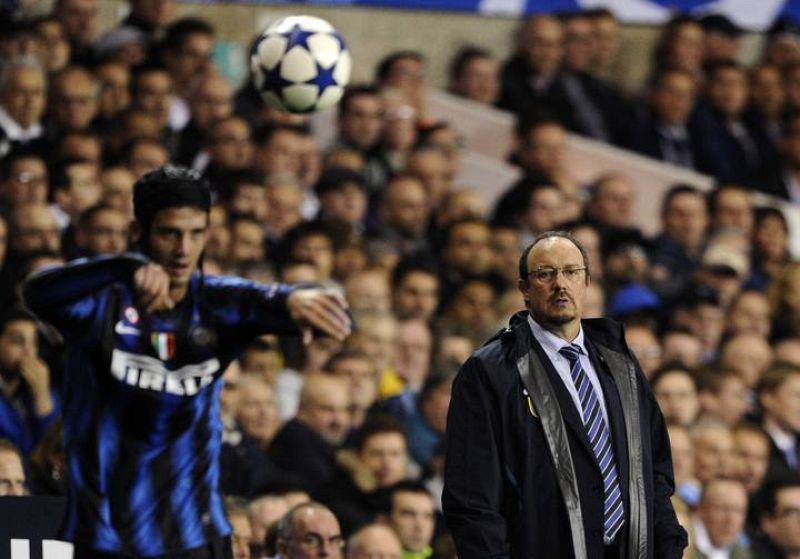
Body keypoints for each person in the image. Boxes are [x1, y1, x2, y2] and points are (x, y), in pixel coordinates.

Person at [22, 165, 351, 558]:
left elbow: (269, 299)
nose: (183, 249)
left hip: (194, 537)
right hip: (104, 537)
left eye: (196, 234)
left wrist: (297, 298)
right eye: (169, 233)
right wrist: (124, 267)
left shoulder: (217, 304)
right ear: (138, 232)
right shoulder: (99, 303)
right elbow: (37, 293)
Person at [443, 230, 687, 558]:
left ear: (587, 282)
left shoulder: (621, 362)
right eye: (545, 274)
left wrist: (669, 548)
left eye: (571, 272)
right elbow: (472, 499)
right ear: (524, 289)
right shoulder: (491, 371)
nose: (560, 284)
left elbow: (654, 470)